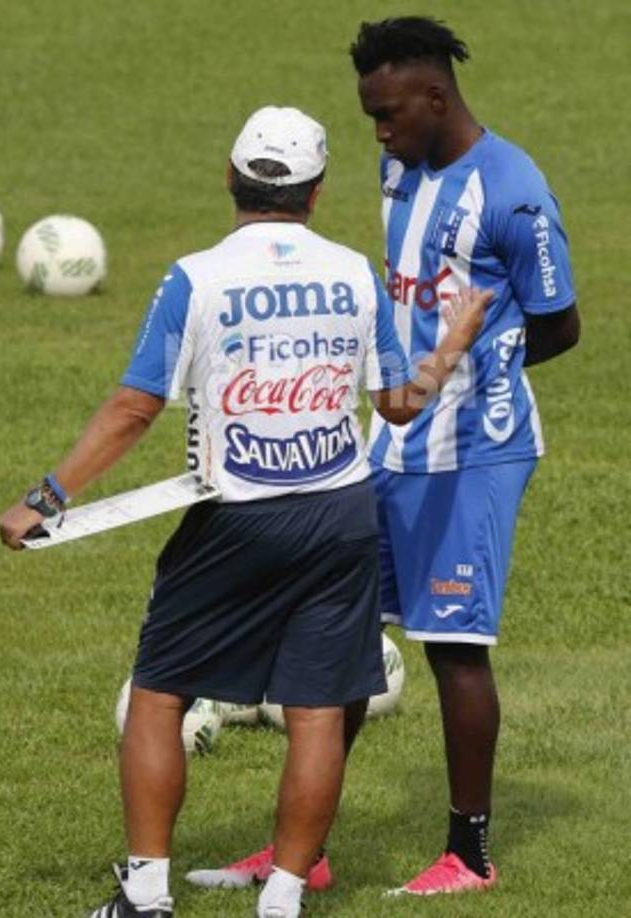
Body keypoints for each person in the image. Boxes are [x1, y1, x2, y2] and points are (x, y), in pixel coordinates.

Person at [0, 104, 491, 918]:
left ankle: (147, 897)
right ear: (316, 192)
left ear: (230, 178)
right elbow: (399, 405)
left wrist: (46, 498)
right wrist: (451, 344)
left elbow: (133, 409)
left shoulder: (196, 278)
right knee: (316, 711)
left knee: (160, 693)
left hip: (233, 521)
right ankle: (285, 901)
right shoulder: (352, 273)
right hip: (339, 517)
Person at [188, 15, 580, 902]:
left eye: (388, 113)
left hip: (474, 451)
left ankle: (469, 856)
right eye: (370, 115)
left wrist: (479, 369)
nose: (378, 131)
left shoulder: (514, 191)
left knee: (453, 647)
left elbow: (562, 321)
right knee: (337, 639)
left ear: (436, 97)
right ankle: (301, 851)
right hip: (390, 437)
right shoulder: (401, 164)